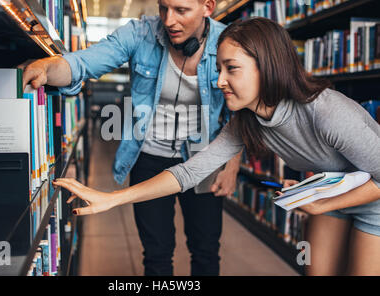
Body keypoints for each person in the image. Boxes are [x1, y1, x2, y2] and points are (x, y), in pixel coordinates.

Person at [53, 17, 380, 276]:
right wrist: (112, 198)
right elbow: (189, 171)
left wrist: (321, 204)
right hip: (332, 192)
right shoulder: (246, 120)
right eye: (219, 67)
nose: (219, 80)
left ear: (266, 67)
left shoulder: (326, 112)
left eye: (231, 69)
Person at [21, 0, 242, 276]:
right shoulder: (140, 34)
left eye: (181, 10)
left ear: (208, 7)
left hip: (203, 160)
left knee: (205, 249)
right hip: (148, 159)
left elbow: (242, 108)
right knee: (156, 253)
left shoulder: (229, 42)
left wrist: (231, 166)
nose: (169, 20)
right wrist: (48, 67)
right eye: (163, 8)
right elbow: (82, 63)